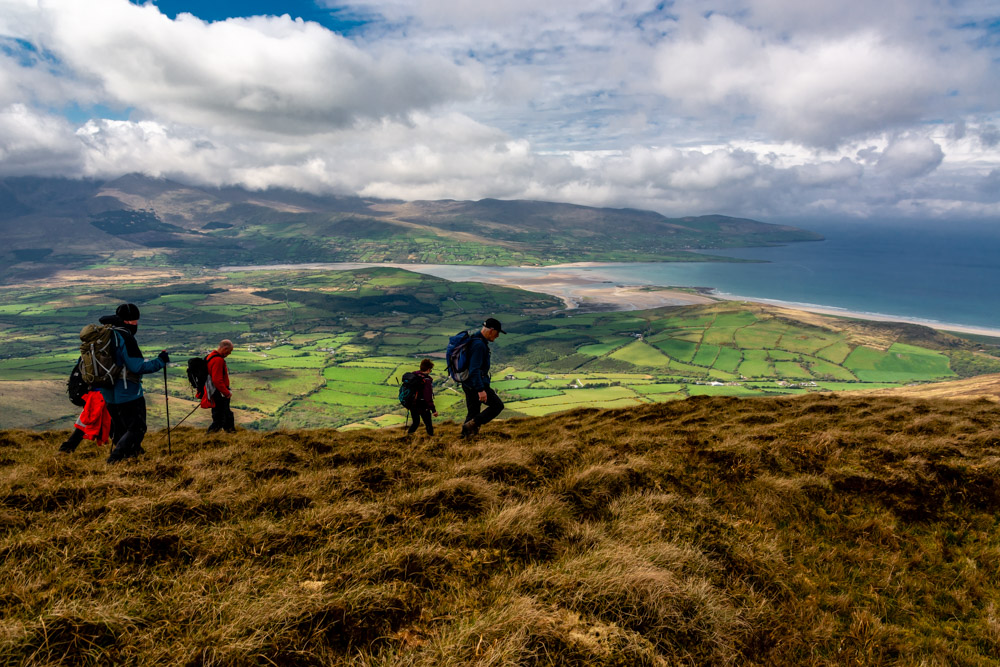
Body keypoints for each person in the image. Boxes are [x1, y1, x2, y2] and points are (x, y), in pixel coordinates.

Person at [99, 303, 169, 464]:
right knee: (137, 428)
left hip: (108, 390)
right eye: (136, 320)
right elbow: (137, 367)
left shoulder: (105, 334)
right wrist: (160, 361)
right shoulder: (125, 337)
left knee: (120, 427)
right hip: (127, 391)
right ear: (131, 321)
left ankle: (133, 456)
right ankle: (115, 458)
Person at [460, 317, 506, 438]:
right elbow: (474, 369)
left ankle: (466, 438)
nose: (497, 336)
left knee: (473, 412)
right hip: (476, 384)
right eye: (497, 333)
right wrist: (481, 390)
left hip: (468, 383)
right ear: (491, 330)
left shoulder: (474, 340)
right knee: (497, 405)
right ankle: (472, 426)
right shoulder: (479, 345)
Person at [59, 388, 113, 453]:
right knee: (111, 424)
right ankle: (121, 453)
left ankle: (66, 449)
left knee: (85, 424)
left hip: (95, 397)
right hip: (102, 397)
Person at [200, 339, 236, 433]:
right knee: (220, 418)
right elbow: (217, 380)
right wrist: (226, 392)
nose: (229, 353)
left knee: (225, 415)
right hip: (218, 393)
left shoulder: (210, 357)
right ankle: (210, 436)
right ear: (225, 348)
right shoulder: (218, 360)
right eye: (229, 351)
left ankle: (231, 434)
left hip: (212, 391)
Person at [407, 358, 438, 436]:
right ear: (428, 370)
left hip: (412, 404)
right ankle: (432, 439)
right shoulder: (426, 380)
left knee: (416, 422)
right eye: (430, 370)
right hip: (422, 404)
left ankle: (408, 437)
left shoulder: (414, 376)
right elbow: (428, 397)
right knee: (428, 424)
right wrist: (433, 410)